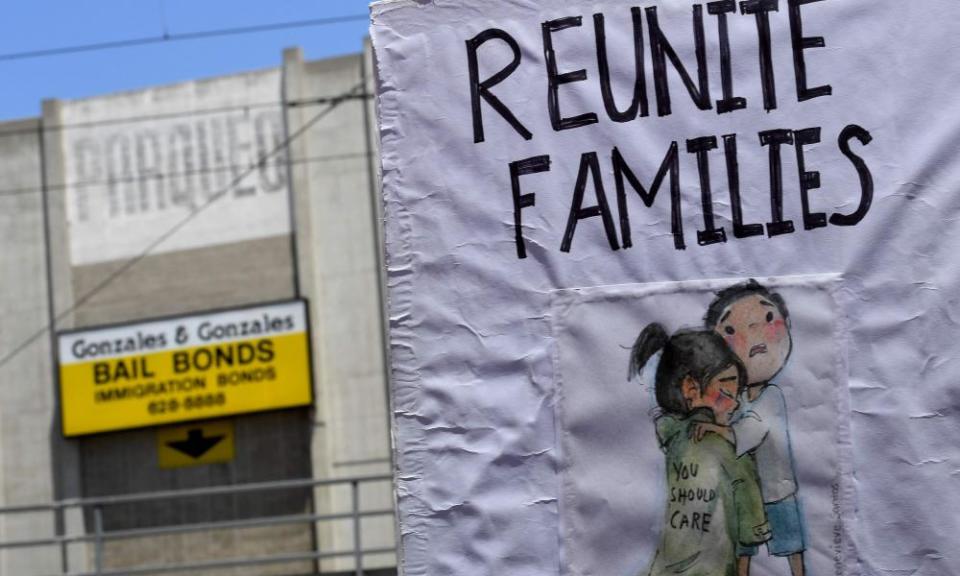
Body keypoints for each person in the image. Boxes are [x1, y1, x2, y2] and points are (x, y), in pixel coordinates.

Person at [629, 324, 770, 576]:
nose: (736, 402)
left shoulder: (674, 439)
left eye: (737, 392)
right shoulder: (729, 448)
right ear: (691, 389)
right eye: (726, 389)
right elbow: (750, 524)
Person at [695, 280, 807, 576]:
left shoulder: (772, 397)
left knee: (790, 545)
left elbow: (751, 430)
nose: (754, 335)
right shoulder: (737, 397)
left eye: (767, 319)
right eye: (731, 331)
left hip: (776, 490)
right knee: (743, 547)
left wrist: (719, 431)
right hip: (744, 490)